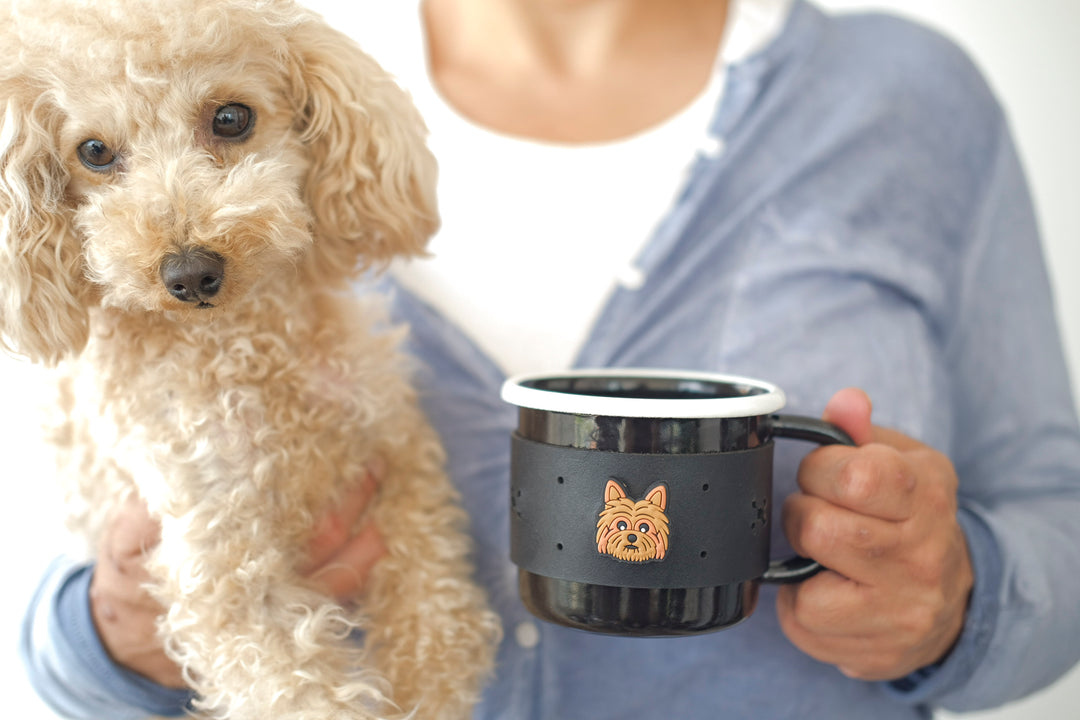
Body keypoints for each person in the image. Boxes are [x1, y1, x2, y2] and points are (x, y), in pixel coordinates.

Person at [21, 0, 1080, 718]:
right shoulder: (218, 31)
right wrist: (114, 636)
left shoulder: (902, 97)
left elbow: (1053, 510)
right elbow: (49, 626)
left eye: (228, 128)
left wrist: (962, 596)